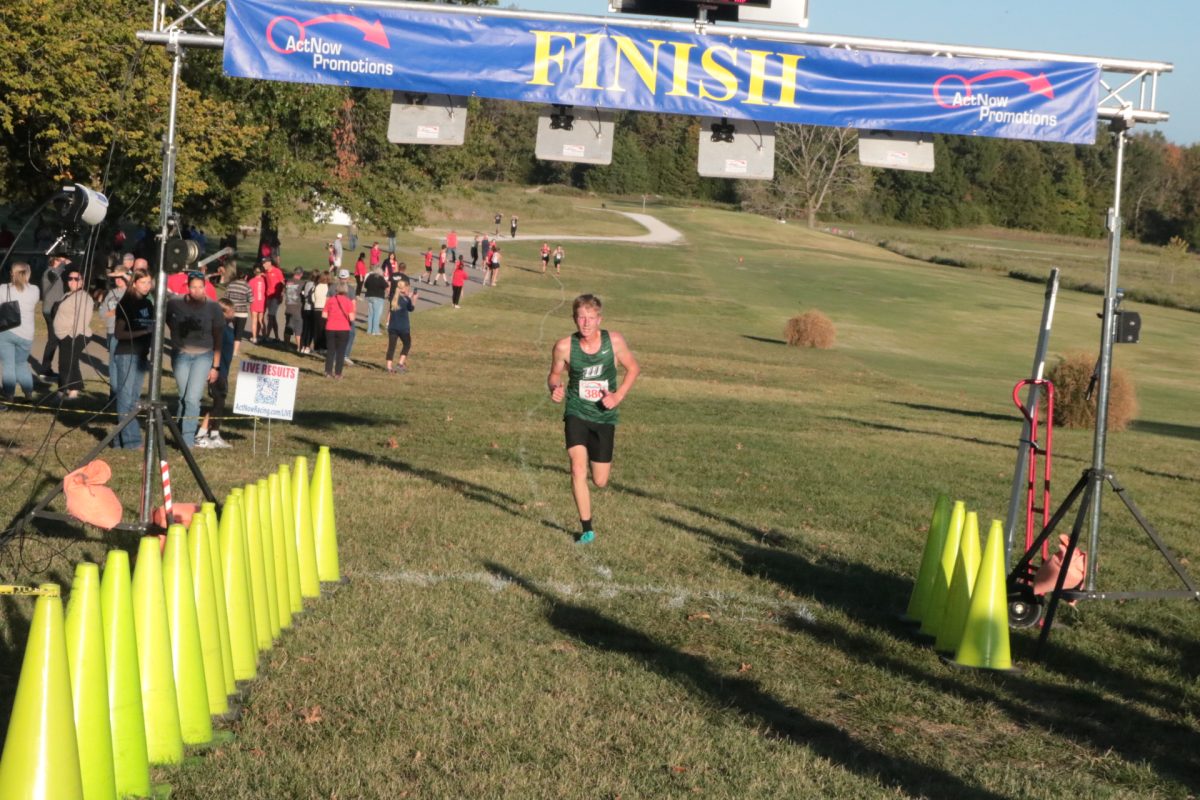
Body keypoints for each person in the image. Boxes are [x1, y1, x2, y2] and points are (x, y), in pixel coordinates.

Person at [547, 294, 640, 544]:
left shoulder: (615, 341)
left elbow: (633, 368)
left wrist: (617, 396)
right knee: (577, 467)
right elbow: (554, 375)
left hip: (604, 415)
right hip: (576, 411)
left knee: (600, 480)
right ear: (574, 319)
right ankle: (587, 529)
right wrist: (554, 388)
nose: (586, 323)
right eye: (581, 317)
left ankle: (595, 472)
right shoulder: (564, 346)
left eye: (591, 318)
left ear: (599, 319)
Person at [166, 273, 224, 448]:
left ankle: (188, 440)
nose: (197, 290)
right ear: (187, 287)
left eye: (200, 287)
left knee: (193, 398)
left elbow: (218, 337)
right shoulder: (175, 302)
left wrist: (216, 366)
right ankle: (180, 433)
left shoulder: (213, 307)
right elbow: (168, 319)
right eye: (193, 287)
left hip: (203, 355)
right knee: (183, 397)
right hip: (181, 355)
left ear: (205, 287)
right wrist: (176, 336)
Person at [112, 269, 155, 449]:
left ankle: (119, 440)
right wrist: (143, 332)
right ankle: (131, 441)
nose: (147, 286)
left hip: (141, 355)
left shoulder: (148, 303)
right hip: (127, 353)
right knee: (126, 397)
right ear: (134, 283)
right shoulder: (127, 303)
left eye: (149, 282)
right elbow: (119, 333)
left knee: (134, 399)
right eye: (143, 282)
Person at [194, 298, 236, 449]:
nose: (235, 313)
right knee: (216, 403)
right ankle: (201, 435)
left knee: (220, 402)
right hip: (216, 371)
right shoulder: (217, 329)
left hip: (224, 370)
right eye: (232, 311)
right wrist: (212, 369)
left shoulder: (229, 329)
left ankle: (215, 434)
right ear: (223, 312)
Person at [0, 262, 40, 408]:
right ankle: (28, 393)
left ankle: (9, 395)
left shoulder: (3, 289)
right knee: (22, 363)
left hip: (6, 330)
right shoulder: (35, 290)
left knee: (8, 364)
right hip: (26, 334)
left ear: (12, 273)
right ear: (28, 274)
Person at [53, 267, 94, 401]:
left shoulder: (84, 297)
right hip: (64, 335)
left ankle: (70, 392)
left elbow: (83, 318)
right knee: (67, 363)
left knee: (67, 363)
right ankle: (66, 390)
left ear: (82, 282)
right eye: (70, 278)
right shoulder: (68, 294)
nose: (72, 281)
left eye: (76, 279)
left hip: (76, 335)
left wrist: (70, 335)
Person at [38, 255, 69, 381]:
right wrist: (63, 264)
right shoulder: (50, 272)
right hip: (51, 310)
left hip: (54, 309)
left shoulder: (55, 273)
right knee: (53, 340)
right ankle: (45, 369)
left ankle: (46, 369)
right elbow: (55, 275)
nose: (61, 262)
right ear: (52, 261)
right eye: (58, 260)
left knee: (54, 340)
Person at [322, 279, 355, 378]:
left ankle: (328, 372)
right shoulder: (348, 302)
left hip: (330, 328)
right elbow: (352, 318)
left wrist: (332, 317)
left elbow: (324, 315)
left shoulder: (331, 300)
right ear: (346, 291)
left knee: (331, 351)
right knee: (341, 352)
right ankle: (338, 373)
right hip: (343, 329)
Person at [385, 281, 417, 374]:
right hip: (403, 327)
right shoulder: (406, 299)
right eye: (407, 288)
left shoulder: (393, 298)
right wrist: (414, 299)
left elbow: (401, 302)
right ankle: (400, 363)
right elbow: (411, 308)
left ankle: (389, 367)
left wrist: (409, 297)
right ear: (404, 289)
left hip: (392, 327)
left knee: (391, 347)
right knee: (407, 344)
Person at [224, 268, 252, 347]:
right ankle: (235, 351)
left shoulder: (231, 284)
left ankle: (225, 344)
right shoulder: (247, 286)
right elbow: (251, 299)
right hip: (242, 312)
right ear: (245, 277)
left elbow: (226, 298)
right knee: (238, 333)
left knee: (225, 328)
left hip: (231, 311)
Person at [364, 264, 389, 335]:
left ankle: (369, 330)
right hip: (378, 297)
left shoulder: (369, 277)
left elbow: (365, 285)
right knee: (377, 314)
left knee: (371, 314)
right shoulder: (380, 278)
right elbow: (387, 287)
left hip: (369, 296)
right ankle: (375, 331)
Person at [264, 258, 285, 341]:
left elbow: (283, 283)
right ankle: (277, 337)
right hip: (269, 296)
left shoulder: (277, 271)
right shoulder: (266, 272)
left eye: (265, 263)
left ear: (269, 263)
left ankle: (267, 336)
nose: (263, 265)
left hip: (276, 297)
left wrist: (281, 295)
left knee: (270, 316)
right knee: (273, 317)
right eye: (263, 263)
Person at [284, 268, 304, 350]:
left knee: (288, 326)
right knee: (298, 328)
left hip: (288, 307)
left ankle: (286, 345)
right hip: (297, 308)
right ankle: (299, 347)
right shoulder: (302, 283)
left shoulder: (288, 282)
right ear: (301, 274)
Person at [299, 270, 318, 354]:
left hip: (305, 308)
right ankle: (307, 346)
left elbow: (302, 294)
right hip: (312, 308)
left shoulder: (306, 283)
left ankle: (302, 346)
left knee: (305, 328)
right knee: (310, 329)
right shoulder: (315, 285)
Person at [248, 264, 267, 344]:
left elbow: (249, 292)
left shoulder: (251, 281)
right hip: (262, 301)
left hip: (254, 302)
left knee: (254, 320)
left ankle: (254, 337)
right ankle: (264, 336)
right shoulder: (264, 280)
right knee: (261, 320)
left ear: (254, 272)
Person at [311, 272, 330, 352]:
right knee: (325, 329)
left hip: (317, 309)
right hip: (325, 309)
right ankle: (324, 347)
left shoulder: (316, 286)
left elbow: (313, 298)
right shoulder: (328, 287)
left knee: (317, 328)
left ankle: (317, 346)